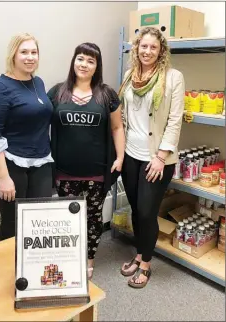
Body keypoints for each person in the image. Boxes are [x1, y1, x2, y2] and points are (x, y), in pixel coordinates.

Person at [48, 42, 125, 279]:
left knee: (92, 219)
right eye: (80, 58)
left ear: (97, 66)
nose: (84, 64)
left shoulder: (107, 95)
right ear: (74, 61)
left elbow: (117, 127)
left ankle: (89, 260)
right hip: (64, 171)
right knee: (67, 219)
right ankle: (70, 257)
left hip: (96, 172)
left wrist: (120, 157)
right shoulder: (57, 92)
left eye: (91, 61)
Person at [119, 27, 185, 288]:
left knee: (147, 212)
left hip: (155, 157)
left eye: (153, 47)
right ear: (136, 48)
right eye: (142, 46)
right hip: (130, 154)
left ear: (161, 51)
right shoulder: (128, 75)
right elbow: (123, 115)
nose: (147, 51)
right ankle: (138, 253)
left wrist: (160, 156)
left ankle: (146, 264)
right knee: (136, 209)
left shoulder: (173, 77)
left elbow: (175, 120)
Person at [0, 33, 54, 241]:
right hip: (9, 163)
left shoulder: (38, 82)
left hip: (40, 160)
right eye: (24, 52)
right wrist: (4, 178)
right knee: (13, 221)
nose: (30, 57)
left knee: (39, 219)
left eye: (34, 52)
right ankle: (9, 271)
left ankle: (31, 270)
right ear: (13, 55)